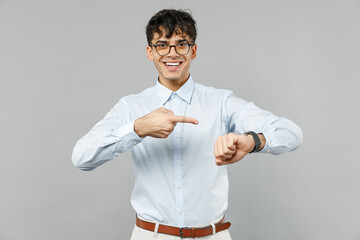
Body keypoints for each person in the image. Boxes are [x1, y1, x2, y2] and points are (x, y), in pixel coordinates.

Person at [72, 9, 303, 239]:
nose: (171, 53)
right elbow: (82, 157)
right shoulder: (131, 107)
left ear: (193, 50)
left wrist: (252, 141)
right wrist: (138, 128)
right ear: (149, 52)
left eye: (181, 44)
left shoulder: (221, 102)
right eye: (162, 44)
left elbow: (291, 133)